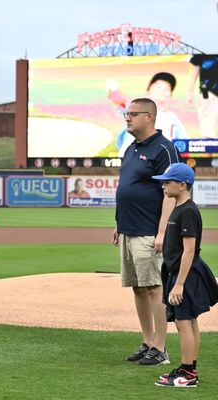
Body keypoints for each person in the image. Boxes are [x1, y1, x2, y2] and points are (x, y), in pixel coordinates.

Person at [113, 98, 180, 366]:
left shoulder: (164, 148)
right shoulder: (131, 148)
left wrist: (163, 232)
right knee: (138, 288)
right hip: (129, 228)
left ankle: (161, 349)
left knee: (154, 288)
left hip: (149, 230)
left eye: (133, 114)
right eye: (126, 114)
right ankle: (148, 341)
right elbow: (126, 188)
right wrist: (118, 223)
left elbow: (172, 193)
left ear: (149, 116)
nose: (127, 118)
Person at [151, 163, 218, 387]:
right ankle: (189, 368)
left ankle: (188, 375)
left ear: (182, 185)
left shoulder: (188, 210)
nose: (163, 186)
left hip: (185, 274)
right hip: (179, 272)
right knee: (188, 321)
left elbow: (189, 251)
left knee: (183, 322)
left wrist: (178, 284)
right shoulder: (179, 208)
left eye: (167, 182)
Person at [111, 72, 188, 156]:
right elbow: (120, 100)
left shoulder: (172, 118)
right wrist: (114, 89)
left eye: (167, 88)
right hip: (131, 161)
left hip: (160, 163)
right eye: (158, 87)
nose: (162, 90)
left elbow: (184, 143)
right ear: (149, 89)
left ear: (170, 94)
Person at [188, 55, 218, 138]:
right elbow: (193, 74)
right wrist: (190, 92)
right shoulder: (199, 54)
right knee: (207, 122)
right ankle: (209, 146)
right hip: (208, 92)